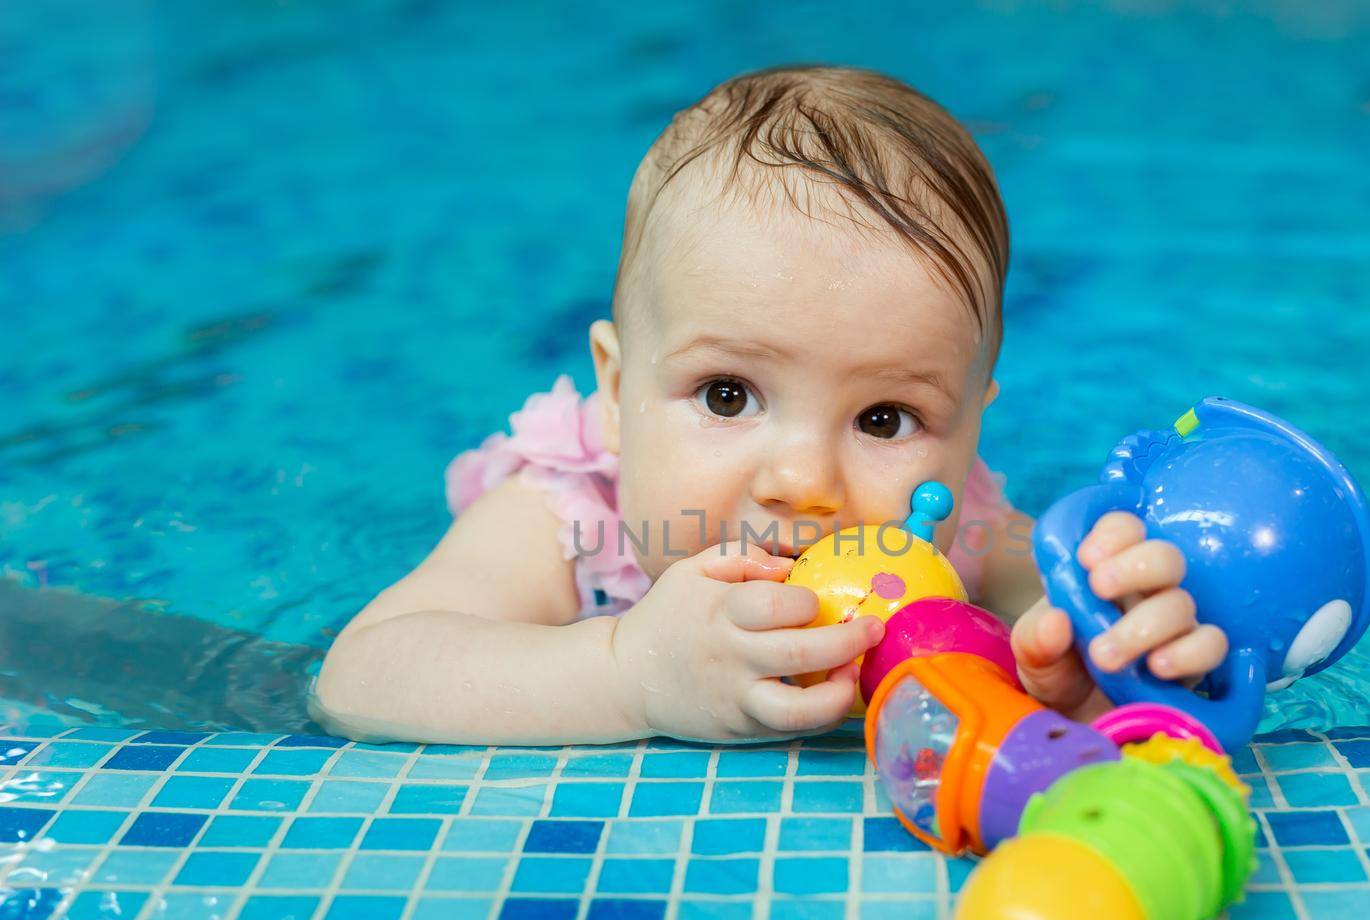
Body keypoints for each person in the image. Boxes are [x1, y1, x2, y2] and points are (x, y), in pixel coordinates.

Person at [314, 66, 1227, 745]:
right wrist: (628, 673)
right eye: (727, 394)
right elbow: (360, 675)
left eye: (883, 419)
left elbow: (1070, 631)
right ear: (622, 394)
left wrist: (1095, 664)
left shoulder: (962, 529)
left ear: (969, 430)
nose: (803, 483)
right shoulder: (568, 522)